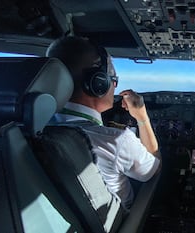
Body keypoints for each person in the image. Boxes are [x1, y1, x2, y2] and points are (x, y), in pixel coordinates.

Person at [46, 36, 161, 209]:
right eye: (112, 77)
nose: (114, 85)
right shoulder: (115, 140)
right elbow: (153, 170)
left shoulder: (33, 127)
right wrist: (142, 118)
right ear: (98, 82)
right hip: (121, 221)